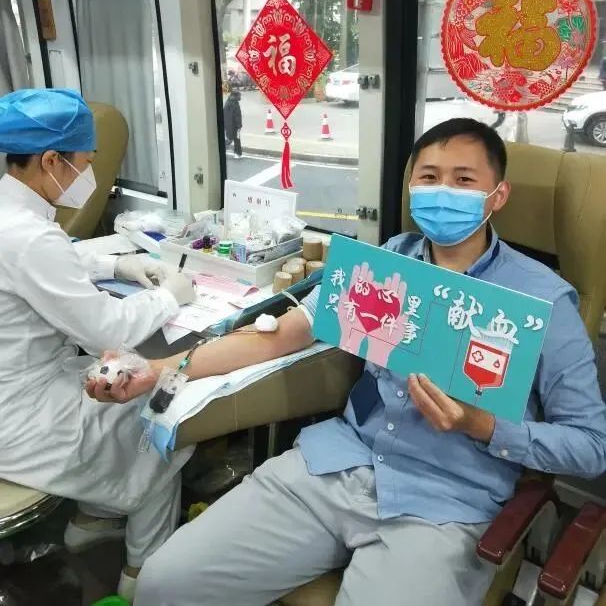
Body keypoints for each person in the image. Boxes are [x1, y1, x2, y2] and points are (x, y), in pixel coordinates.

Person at [91, 118, 606, 606]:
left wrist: (481, 424)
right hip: (336, 465)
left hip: (446, 506)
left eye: (464, 179)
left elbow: (591, 446)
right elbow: (278, 337)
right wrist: (160, 369)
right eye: (429, 177)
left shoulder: (544, 302)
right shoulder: (385, 263)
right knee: (164, 583)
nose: (443, 191)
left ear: (498, 195)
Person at [0, 88, 200, 602]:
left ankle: (94, 519)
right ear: (51, 161)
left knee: (125, 389)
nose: (90, 176)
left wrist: (117, 265)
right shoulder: (28, 237)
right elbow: (108, 332)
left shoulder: (11, 212)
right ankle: (142, 576)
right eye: (85, 163)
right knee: (168, 410)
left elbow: (53, 259)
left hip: (19, 392)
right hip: (20, 419)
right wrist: (170, 296)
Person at [224, 87, 243, 158]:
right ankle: (237, 153)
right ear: (235, 96)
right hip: (235, 126)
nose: (240, 97)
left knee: (230, 138)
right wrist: (239, 126)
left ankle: (236, 153)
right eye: (239, 95)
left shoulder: (227, 102)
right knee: (236, 139)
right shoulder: (235, 104)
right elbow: (237, 116)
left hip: (228, 125)